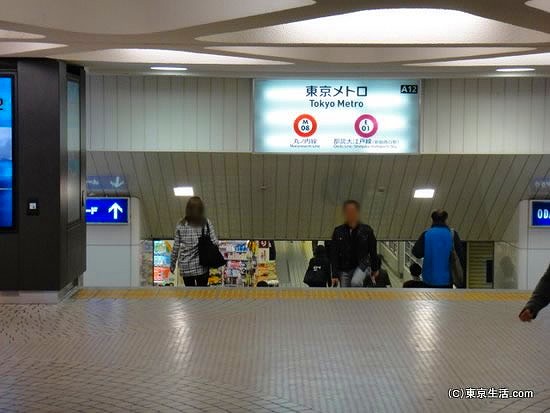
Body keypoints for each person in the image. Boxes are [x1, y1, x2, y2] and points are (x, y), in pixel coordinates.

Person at [170, 196, 218, 287]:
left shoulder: (180, 224)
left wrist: (172, 265)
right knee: (201, 295)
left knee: (190, 295)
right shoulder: (206, 222)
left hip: (185, 268)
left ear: (187, 209)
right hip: (202, 266)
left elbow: (175, 248)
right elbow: (215, 242)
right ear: (201, 209)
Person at [330, 200, 380, 288]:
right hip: (344, 268)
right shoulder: (338, 231)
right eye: (348, 212)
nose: (350, 214)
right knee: (346, 293)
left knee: (355, 282)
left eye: (352, 212)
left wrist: (375, 268)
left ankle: (360, 300)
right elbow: (334, 254)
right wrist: (334, 274)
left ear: (357, 213)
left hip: (362, 265)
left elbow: (373, 250)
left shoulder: (366, 231)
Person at [412, 209, 463, 288]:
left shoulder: (426, 234)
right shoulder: (452, 234)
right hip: (447, 280)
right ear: (446, 220)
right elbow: (460, 254)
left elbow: (416, 253)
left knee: (430, 300)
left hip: (428, 280)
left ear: (432, 220)